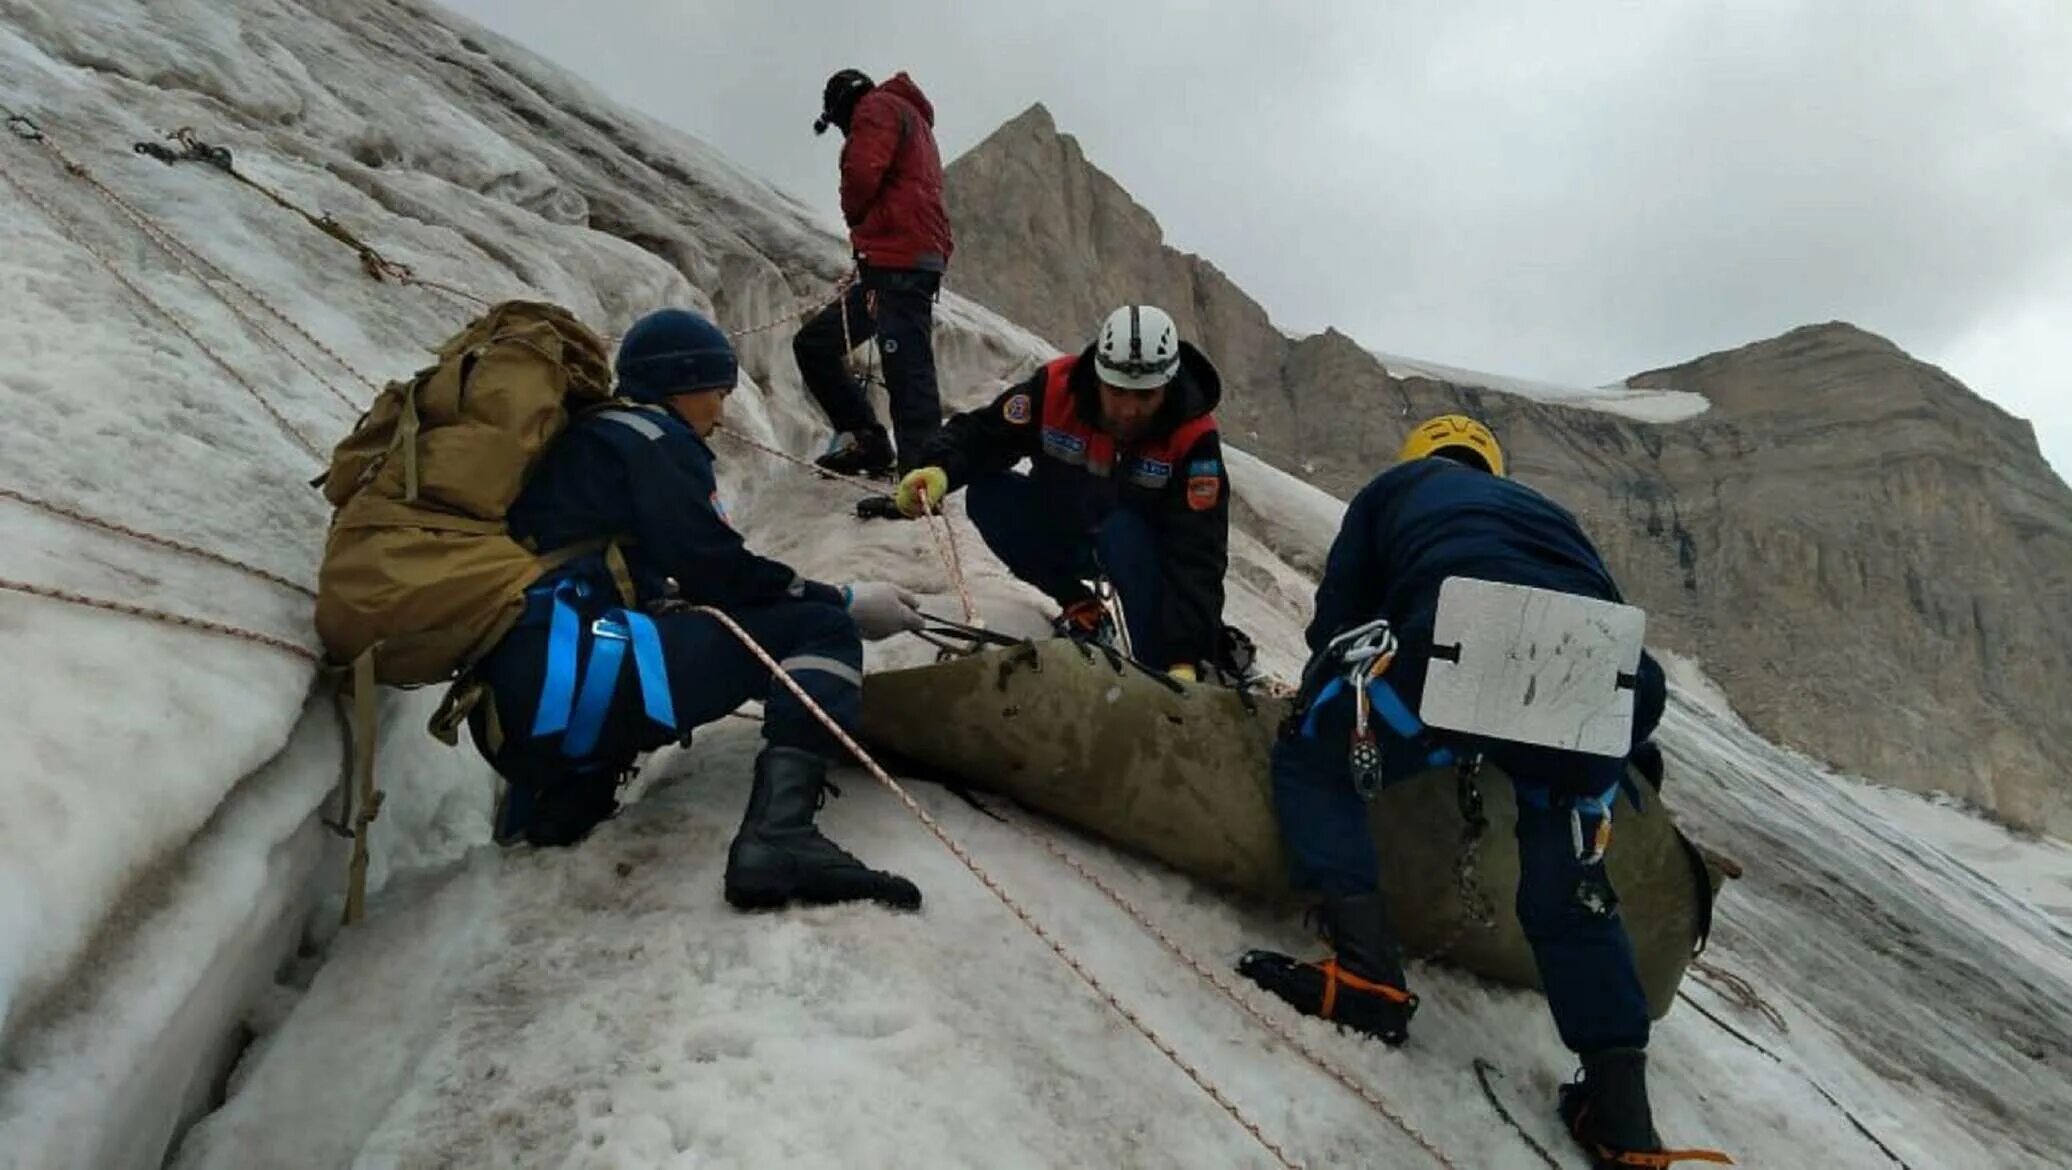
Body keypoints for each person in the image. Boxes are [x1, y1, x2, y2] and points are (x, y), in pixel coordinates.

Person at [1238, 416, 1715, 1170]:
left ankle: (1366, 971)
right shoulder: (1552, 517)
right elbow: (1604, 638)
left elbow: (1339, 625)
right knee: (1570, 873)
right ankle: (1623, 1115)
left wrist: (1327, 706)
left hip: (1465, 643)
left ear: (1419, 458)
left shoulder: (1395, 489)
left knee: (1314, 756)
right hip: (1602, 681)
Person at [466, 307, 926, 911]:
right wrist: (841, 599)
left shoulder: (592, 438)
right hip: (581, 680)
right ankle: (781, 837)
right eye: (718, 391)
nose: (722, 410)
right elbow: (720, 570)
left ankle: (562, 808)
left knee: (663, 628)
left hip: (522, 706)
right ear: (682, 384)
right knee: (817, 629)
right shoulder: (653, 439)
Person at [893, 304, 1230, 680]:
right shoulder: (1055, 390)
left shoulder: (1192, 438)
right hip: (1067, 531)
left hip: (1141, 558)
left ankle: (1159, 672)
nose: (1129, 410)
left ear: (1167, 387)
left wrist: (1185, 655)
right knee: (989, 495)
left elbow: (1199, 551)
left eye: (1145, 396)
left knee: (1122, 533)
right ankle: (1078, 604)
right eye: (1118, 392)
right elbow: (984, 435)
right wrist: (938, 469)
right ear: (1099, 378)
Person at [795, 68, 954, 477]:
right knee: (815, 344)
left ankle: (920, 474)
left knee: (907, 366)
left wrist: (855, 215)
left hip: (900, 262)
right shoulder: (910, 118)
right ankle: (867, 439)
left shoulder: (877, 108)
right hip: (896, 262)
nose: (844, 132)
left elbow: (863, 172)